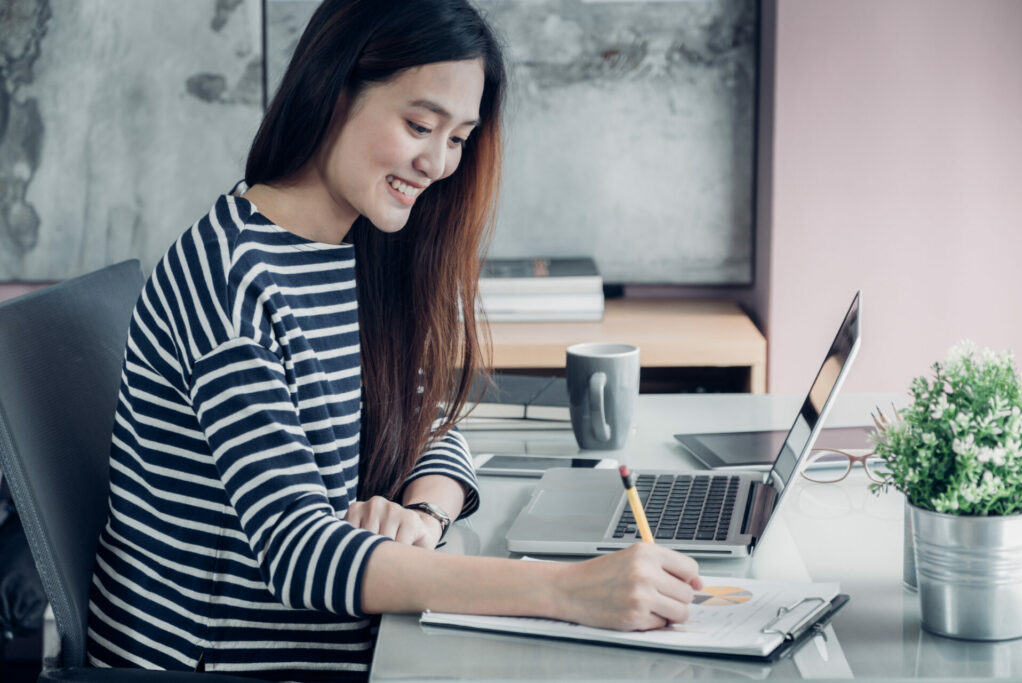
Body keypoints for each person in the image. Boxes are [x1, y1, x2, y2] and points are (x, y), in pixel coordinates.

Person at [86, 1, 703, 680]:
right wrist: (568, 591)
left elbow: (434, 423)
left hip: (353, 646)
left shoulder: (355, 249)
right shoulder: (230, 277)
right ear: (333, 87)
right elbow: (300, 553)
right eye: (419, 124)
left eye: (458, 137)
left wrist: (420, 512)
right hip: (221, 663)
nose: (439, 162)